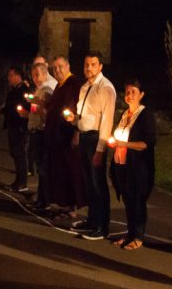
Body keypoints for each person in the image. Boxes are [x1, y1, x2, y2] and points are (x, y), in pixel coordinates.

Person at [71, 52, 117, 240]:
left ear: (100, 67)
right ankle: (92, 219)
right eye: (86, 64)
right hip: (84, 136)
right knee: (89, 182)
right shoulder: (85, 87)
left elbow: (106, 120)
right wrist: (75, 123)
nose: (88, 68)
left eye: (93, 64)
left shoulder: (105, 88)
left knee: (98, 184)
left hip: (95, 139)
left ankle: (102, 226)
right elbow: (84, 114)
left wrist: (100, 149)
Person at [108, 79, 156, 250]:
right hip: (122, 164)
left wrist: (125, 145)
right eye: (127, 92)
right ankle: (129, 233)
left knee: (138, 200)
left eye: (133, 92)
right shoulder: (124, 115)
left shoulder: (145, 115)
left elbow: (147, 143)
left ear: (141, 94)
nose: (129, 95)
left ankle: (138, 236)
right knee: (128, 199)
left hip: (138, 167)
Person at [45, 56, 87, 219]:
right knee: (60, 171)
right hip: (57, 136)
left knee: (70, 172)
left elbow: (77, 109)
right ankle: (64, 205)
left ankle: (71, 208)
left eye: (60, 67)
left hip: (67, 136)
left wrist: (76, 131)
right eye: (54, 68)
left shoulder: (73, 84)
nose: (58, 71)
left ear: (68, 66)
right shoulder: (59, 86)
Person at [28, 61, 55, 209]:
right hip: (35, 131)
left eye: (38, 74)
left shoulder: (47, 91)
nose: (35, 78)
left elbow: (48, 115)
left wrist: (39, 108)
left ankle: (45, 201)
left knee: (43, 168)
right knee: (40, 167)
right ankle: (41, 198)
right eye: (33, 75)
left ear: (45, 74)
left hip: (42, 133)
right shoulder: (39, 89)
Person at [3, 66, 30, 191]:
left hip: (19, 126)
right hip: (13, 125)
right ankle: (18, 181)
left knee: (19, 154)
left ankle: (22, 182)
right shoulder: (14, 89)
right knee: (15, 154)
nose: (9, 78)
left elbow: (27, 107)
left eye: (10, 75)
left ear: (17, 76)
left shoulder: (24, 90)